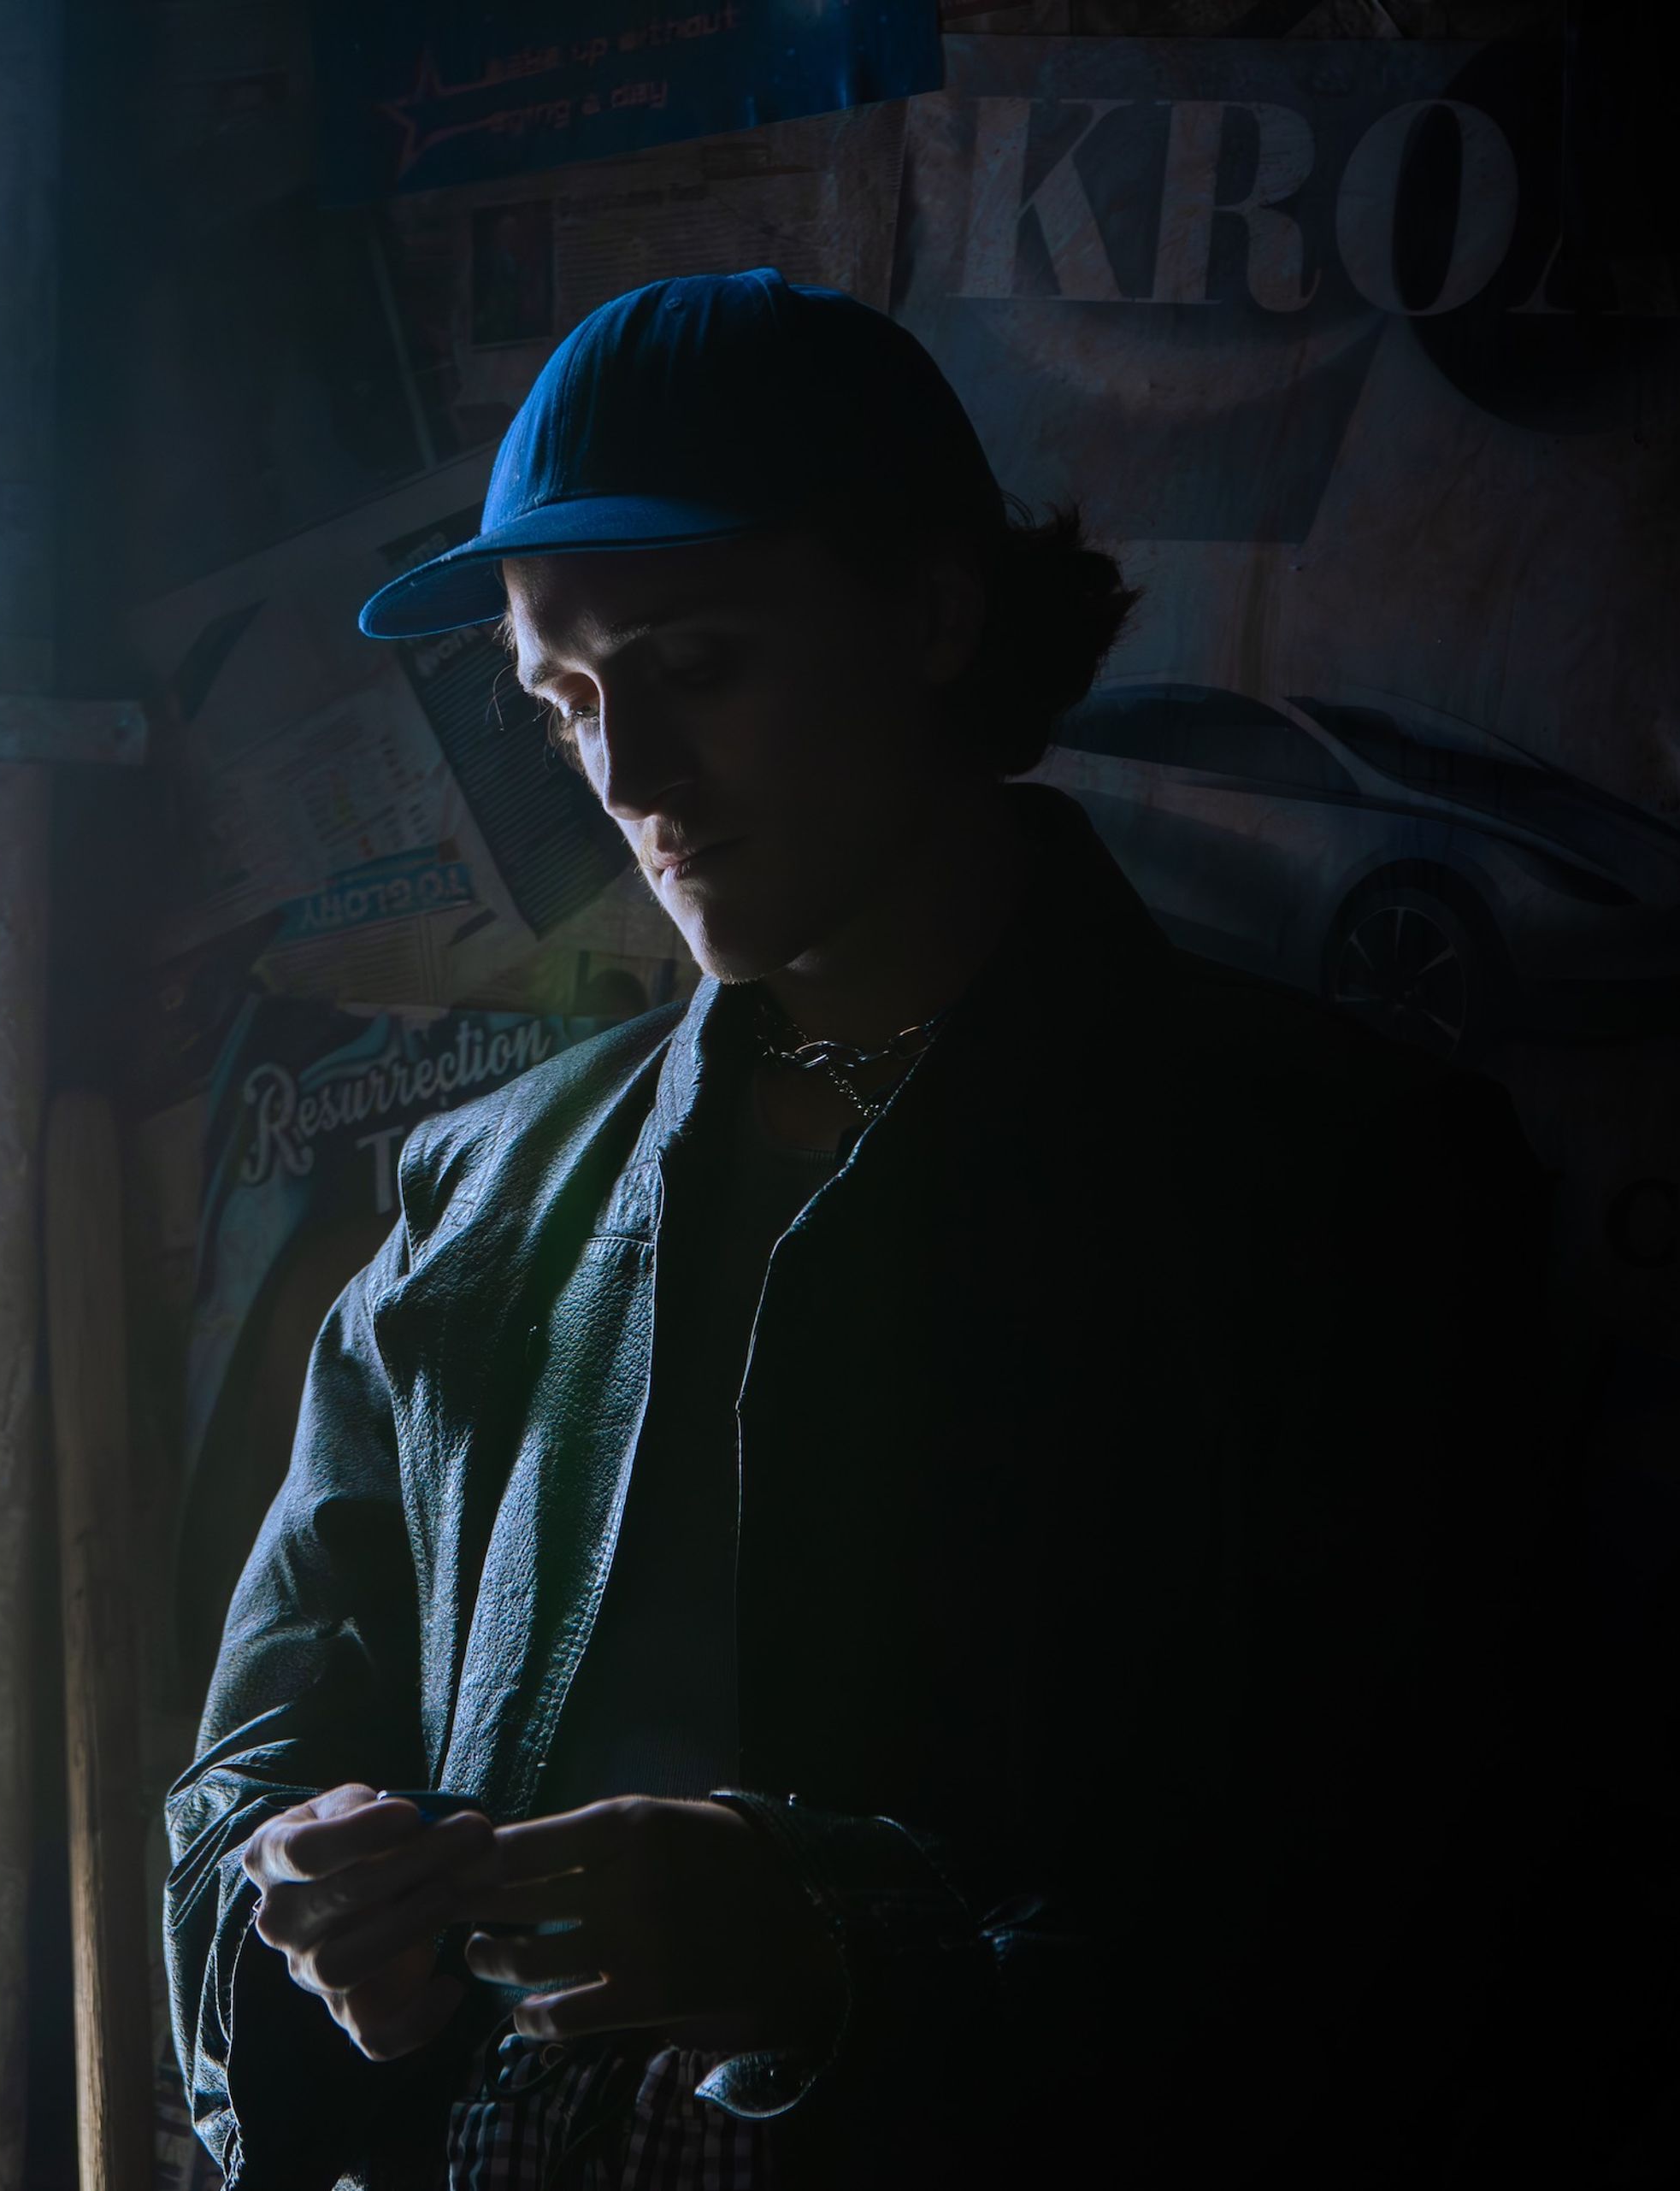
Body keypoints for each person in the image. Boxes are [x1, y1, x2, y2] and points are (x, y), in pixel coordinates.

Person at [163, 270, 1554, 2188]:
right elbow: (241, 1784)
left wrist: (834, 1975)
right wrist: (310, 1913)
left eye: (697, 662)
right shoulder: (476, 1198)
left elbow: (1394, 1927)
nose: (629, 780)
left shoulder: (1335, 1177)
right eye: (565, 699)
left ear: (927, 613)